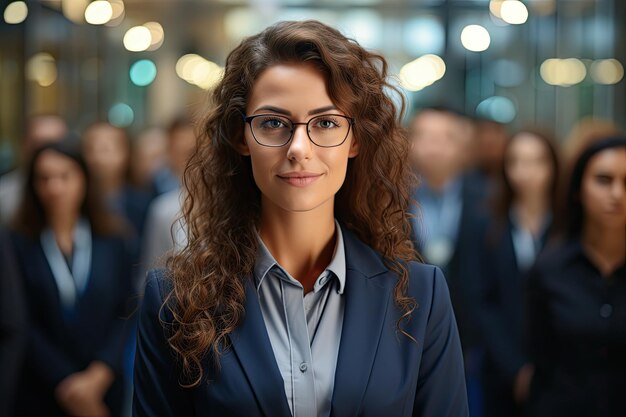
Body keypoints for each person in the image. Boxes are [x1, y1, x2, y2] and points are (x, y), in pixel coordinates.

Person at [134, 20, 468, 417]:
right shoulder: (176, 299)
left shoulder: (421, 296)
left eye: (325, 123)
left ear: (356, 138)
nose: (298, 148)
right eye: (273, 123)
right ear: (242, 137)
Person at [10, 141, 136, 417]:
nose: (54, 188)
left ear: (83, 179)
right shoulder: (16, 243)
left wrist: (99, 374)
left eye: (65, 176)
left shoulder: (114, 239)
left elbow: (127, 311)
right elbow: (20, 321)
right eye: (44, 178)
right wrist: (66, 383)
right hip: (42, 389)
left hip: (103, 387)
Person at [526, 137, 626, 417]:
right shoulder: (549, 270)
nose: (617, 193)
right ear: (578, 190)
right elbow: (539, 360)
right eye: (604, 180)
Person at [477, 129, 560, 417]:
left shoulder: (566, 226)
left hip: (558, 370)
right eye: (517, 161)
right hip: (501, 367)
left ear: (553, 166)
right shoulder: (489, 222)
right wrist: (515, 368)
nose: (526, 171)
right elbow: (484, 302)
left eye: (537, 161)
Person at [0, 114, 67, 224]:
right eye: (39, 145)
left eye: (55, 145)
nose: (47, 154)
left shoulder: (86, 192)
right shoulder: (3, 195)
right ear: (24, 145)